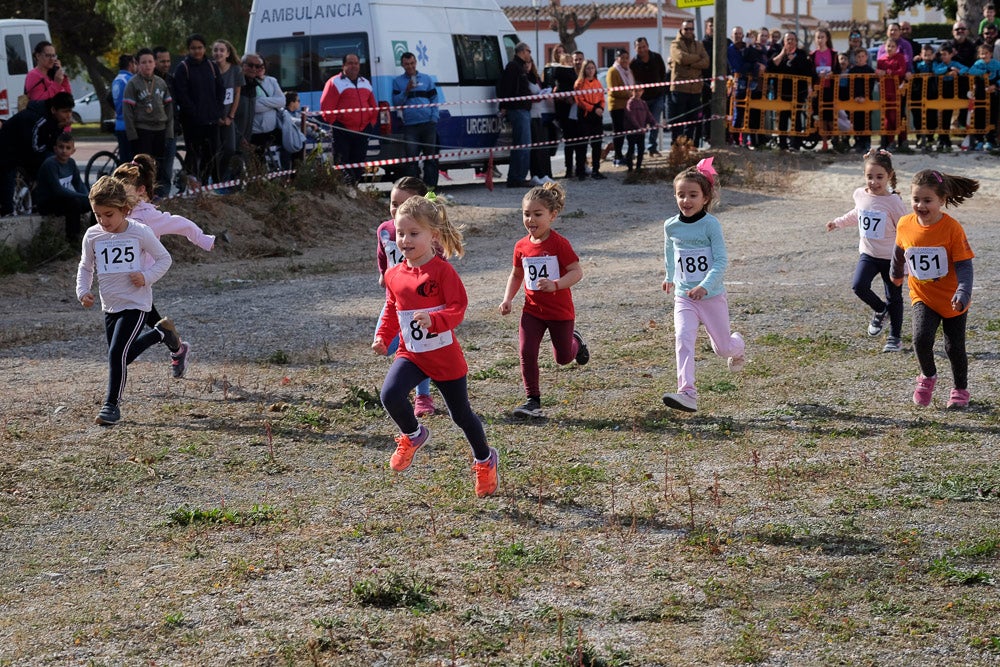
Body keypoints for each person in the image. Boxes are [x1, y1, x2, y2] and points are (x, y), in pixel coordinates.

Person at [372, 195, 499, 498]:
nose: (405, 240)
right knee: (389, 394)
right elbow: (392, 308)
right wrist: (383, 335)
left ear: (434, 236)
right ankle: (413, 434)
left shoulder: (442, 272)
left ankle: (485, 459)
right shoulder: (393, 274)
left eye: (414, 233)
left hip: (444, 358)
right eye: (401, 233)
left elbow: (458, 307)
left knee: (461, 415)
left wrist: (436, 319)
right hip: (411, 354)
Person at [76, 176, 178, 426]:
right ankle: (161, 334)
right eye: (98, 215)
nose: (103, 220)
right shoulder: (92, 235)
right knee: (122, 355)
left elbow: (165, 259)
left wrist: (146, 277)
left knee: (116, 354)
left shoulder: (140, 232)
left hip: (136, 303)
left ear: (125, 209)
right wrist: (83, 290)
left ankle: (111, 405)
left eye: (109, 214)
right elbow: (85, 266)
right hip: (110, 305)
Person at [112, 155, 216, 378]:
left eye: (123, 188)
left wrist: (204, 239)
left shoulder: (149, 216)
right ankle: (177, 347)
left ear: (140, 190)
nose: (117, 192)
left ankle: (161, 335)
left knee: (120, 353)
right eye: (115, 187)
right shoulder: (117, 212)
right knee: (152, 320)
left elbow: (181, 223)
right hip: (122, 283)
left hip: (139, 282)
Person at [661, 158, 745, 413]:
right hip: (684, 297)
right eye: (681, 195)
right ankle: (687, 393)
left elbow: (720, 261)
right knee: (683, 338)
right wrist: (669, 276)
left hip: (711, 297)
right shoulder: (670, 225)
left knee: (722, 349)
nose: (686, 201)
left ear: (705, 198)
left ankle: (737, 345)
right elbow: (669, 251)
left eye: (692, 195)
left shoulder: (711, 225)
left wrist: (706, 286)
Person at [499, 182, 589, 419]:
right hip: (532, 311)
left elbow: (576, 272)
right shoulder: (521, 246)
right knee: (526, 351)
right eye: (526, 214)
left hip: (559, 312)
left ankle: (575, 342)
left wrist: (556, 284)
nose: (530, 220)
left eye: (537, 214)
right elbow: (517, 274)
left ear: (552, 215)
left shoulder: (559, 244)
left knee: (563, 358)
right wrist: (507, 298)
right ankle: (533, 400)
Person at [890, 169, 977, 409]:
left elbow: (965, 267)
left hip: (953, 299)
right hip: (923, 295)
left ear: (942, 200)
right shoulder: (905, 224)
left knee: (954, 347)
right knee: (920, 339)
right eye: (916, 199)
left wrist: (962, 292)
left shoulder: (952, 229)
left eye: (927, 200)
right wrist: (896, 273)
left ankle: (960, 389)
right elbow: (899, 252)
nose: (921, 205)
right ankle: (927, 376)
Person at [825, 150, 908, 352]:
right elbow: (857, 213)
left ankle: (895, 337)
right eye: (869, 177)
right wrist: (838, 222)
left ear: (889, 176)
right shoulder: (860, 194)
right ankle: (880, 310)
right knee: (859, 286)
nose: (874, 182)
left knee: (894, 297)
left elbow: (905, 229)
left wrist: (906, 261)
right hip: (869, 254)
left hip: (891, 258)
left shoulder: (894, 202)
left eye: (879, 177)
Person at [374, 177, 438, 418]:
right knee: (386, 344)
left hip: (421, 304)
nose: (396, 209)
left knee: (418, 345)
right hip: (394, 299)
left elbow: (438, 262)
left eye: (403, 204)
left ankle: (423, 396)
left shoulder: (428, 233)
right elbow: (383, 254)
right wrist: (383, 274)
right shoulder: (384, 230)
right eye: (393, 203)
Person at [0, 92, 75, 216]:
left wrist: (59, 127)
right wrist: (57, 129)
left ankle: (40, 201)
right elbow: (35, 147)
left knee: (52, 160)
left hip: (25, 148)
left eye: (70, 111)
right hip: (8, 148)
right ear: (53, 110)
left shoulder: (51, 119)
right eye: (64, 111)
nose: (68, 115)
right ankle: (7, 210)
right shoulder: (37, 118)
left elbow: (50, 142)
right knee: (9, 174)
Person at [173, 34, 225, 188]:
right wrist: (194, 113)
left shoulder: (211, 65)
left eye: (200, 48)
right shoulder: (183, 68)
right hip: (192, 122)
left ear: (204, 48)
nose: (197, 51)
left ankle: (212, 184)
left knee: (213, 153)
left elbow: (220, 89)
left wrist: (218, 109)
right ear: (189, 50)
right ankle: (192, 186)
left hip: (211, 120)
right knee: (193, 154)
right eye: (193, 48)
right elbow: (181, 95)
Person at [320, 53, 378, 184]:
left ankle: (354, 189)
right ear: (343, 65)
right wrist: (337, 125)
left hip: (362, 131)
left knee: (358, 165)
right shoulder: (334, 82)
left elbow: (373, 107)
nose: (354, 66)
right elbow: (326, 107)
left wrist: (371, 124)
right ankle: (345, 191)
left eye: (356, 63)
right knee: (342, 163)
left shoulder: (365, 83)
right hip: (342, 132)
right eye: (350, 63)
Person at [392, 51, 440, 188]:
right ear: (402, 65)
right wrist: (406, 90)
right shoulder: (398, 82)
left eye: (412, 63)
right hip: (411, 126)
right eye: (407, 64)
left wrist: (434, 118)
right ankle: (414, 190)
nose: (410, 66)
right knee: (411, 160)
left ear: (416, 63)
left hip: (428, 124)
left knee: (430, 159)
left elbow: (434, 99)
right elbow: (396, 102)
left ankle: (431, 189)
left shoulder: (426, 79)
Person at [34, 132, 91, 241]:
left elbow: (78, 183)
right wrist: (82, 197)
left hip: (63, 199)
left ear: (73, 151)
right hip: (47, 202)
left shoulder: (71, 163)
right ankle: (73, 239)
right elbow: (59, 191)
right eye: (61, 147)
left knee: (94, 203)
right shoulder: (50, 164)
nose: (64, 150)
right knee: (74, 203)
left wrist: (88, 196)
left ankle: (96, 236)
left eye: (67, 148)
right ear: (55, 149)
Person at [122, 49, 173, 168]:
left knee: (158, 167)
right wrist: (132, 135)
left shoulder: (161, 83)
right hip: (142, 131)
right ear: (138, 64)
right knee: (143, 168)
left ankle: (155, 187)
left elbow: (169, 109)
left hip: (160, 130)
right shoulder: (133, 83)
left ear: (155, 63)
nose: (147, 65)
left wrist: (169, 132)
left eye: (150, 62)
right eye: (143, 62)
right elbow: (127, 112)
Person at [766, 32, 817, 151]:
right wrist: (783, 53)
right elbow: (771, 66)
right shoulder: (778, 52)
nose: (790, 42)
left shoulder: (801, 54)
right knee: (782, 119)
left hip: (798, 93)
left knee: (796, 118)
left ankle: (796, 144)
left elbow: (809, 72)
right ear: (784, 42)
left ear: (796, 42)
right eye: (788, 39)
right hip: (782, 93)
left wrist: (795, 60)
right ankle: (782, 144)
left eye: (793, 39)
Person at [496, 42, 534, 188]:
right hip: (517, 110)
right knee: (522, 146)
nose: (529, 54)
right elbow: (506, 88)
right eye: (529, 51)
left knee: (524, 145)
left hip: (522, 109)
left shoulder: (520, 67)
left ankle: (519, 176)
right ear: (523, 51)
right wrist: (504, 106)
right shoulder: (513, 67)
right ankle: (516, 178)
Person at [668, 21, 710, 144]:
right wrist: (697, 58)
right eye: (686, 29)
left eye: (691, 29)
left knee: (692, 122)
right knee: (679, 122)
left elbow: (706, 62)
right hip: (680, 89)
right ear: (681, 29)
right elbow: (681, 58)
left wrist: (689, 62)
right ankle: (677, 146)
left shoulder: (699, 44)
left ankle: (689, 146)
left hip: (695, 89)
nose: (689, 31)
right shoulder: (675, 44)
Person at [242, 54, 285, 167]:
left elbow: (282, 101)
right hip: (255, 132)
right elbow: (253, 107)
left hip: (272, 129)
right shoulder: (248, 82)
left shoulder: (272, 81)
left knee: (294, 144)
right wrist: (272, 103)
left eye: (261, 66)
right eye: (255, 66)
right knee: (258, 163)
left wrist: (263, 101)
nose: (259, 68)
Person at [213, 40, 245, 182]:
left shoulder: (235, 70)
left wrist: (230, 116)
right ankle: (213, 179)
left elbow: (237, 93)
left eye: (221, 50)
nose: (218, 53)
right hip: (213, 117)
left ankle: (222, 177)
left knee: (230, 149)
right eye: (215, 50)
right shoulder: (210, 68)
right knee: (214, 150)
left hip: (228, 117)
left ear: (227, 53)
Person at [630, 37, 668, 155]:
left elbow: (663, 74)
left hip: (657, 96)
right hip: (641, 99)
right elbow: (632, 81)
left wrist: (661, 89)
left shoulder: (656, 58)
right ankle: (638, 150)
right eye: (639, 47)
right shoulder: (633, 63)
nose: (642, 49)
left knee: (655, 123)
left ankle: (652, 147)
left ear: (648, 46)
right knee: (639, 124)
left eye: (643, 46)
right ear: (635, 49)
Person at [572, 59, 605, 181]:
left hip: (597, 114)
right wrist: (592, 109)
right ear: (584, 70)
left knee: (597, 144)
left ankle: (596, 169)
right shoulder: (579, 83)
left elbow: (602, 97)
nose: (590, 70)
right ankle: (580, 170)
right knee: (582, 145)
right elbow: (580, 100)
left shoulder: (597, 82)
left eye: (592, 68)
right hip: (585, 115)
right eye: (588, 68)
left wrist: (601, 108)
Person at [524, 55, 555, 185]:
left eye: (529, 62)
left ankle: (545, 174)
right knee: (535, 147)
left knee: (542, 146)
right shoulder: (523, 79)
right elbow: (526, 96)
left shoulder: (535, 78)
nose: (527, 65)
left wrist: (544, 92)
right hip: (530, 114)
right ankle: (536, 174)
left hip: (540, 113)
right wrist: (538, 96)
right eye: (525, 63)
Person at [876, 39, 911, 150]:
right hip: (886, 92)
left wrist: (888, 72)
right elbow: (878, 73)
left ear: (896, 48)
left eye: (892, 46)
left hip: (898, 92)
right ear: (885, 47)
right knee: (887, 117)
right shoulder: (881, 60)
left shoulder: (900, 57)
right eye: (888, 46)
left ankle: (903, 139)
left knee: (899, 115)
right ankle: (890, 141)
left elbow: (902, 70)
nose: (890, 48)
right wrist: (879, 73)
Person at [152, 46, 178, 198]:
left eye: (168, 61)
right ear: (155, 61)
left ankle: (164, 201)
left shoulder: (171, 79)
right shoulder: (148, 80)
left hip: (171, 130)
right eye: (162, 61)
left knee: (167, 170)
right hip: (153, 132)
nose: (166, 64)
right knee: (154, 170)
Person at [551, 51, 582, 178]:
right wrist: (566, 98)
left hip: (577, 111)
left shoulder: (577, 75)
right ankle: (569, 169)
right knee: (569, 143)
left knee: (578, 143)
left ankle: (579, 167)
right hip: (566, 113)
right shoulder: (560, 75)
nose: (571, 64)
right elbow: (558, 91)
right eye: (568, 61)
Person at [809, 28, 841, 151]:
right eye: (818, 37)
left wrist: (831, 73)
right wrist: (817, 76)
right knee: (821, 117)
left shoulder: (833, 54)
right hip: (818, 89)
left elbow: (838, 70)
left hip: (830, 89)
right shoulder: (812, 55)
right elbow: (810, 72)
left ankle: (834, 140)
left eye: (822, 37)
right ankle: (824, 143)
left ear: (827, 38)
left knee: (831, 116)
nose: (820, 40)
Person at [934, 44, 968, 152]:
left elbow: (965, 68)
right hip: (941, 92)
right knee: (941, 118)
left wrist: (957, 71)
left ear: (951, 54)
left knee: (948, 116)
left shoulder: (955, 63)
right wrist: (948, 70)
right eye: (941, 55)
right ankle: (941, 139)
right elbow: (936, 71)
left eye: (945, 54)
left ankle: (947, 140)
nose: (943, 57)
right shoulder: (939, 64)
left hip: (952, 92)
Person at [967, 43, 1000, 150]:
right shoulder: (978, 64)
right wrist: (984, 72)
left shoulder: (997, 64)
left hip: (993, 94)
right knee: (979, 116)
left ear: (991, 54)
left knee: (992, 117)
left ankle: (991, 140)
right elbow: (971, 71)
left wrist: (995, 85)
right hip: (980, 93)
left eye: (986, 53)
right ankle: (979, 140)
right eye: (982, 54)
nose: (984, 56)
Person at [606, 49, 633, 166]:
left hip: (628, 106)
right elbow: (614, 91)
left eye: (626, 58)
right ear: (617, 59)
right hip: (617, 106)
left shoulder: (628, 71)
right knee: (619, 132)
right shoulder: (613, 71)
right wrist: (630, 94)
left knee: (628, 132)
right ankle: (617, 155)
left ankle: (627, 155)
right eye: (622, 58)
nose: (625, 60)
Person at [846, 48, 876, 153]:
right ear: (855, 58)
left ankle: (867, 142)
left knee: (867, 121)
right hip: (855, 100)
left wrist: (864, 97)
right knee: (856, 121)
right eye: (858, 57)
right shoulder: (852, 71)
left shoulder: (870, 70)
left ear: (866, 57)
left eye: (863, 56)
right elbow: (850, 86)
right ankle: (858, 141)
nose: (861, 58)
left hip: (867, 100)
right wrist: (855, 97)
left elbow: (871, 86)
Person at [112, 54, 137, 164]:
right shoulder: (129, 80)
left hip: (119, 123)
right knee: (131, 161)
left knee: (124, 159)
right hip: (129, 125)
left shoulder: (116, 79)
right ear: (131, 64)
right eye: (135, 63)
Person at [624, 88, 656, 171]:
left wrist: (654, 123)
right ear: (632, 92)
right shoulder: (630, 103)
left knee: (641, 149)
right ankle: (630, 168)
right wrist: (639, 127)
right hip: (632, 131)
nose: (637, 93)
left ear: (642, 92)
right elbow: (631, 117)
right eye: (635, 91)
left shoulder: (643, 103)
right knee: (631, 148)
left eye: (639, 91)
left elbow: (648, 115)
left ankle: (638, 167)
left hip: (641, 132)